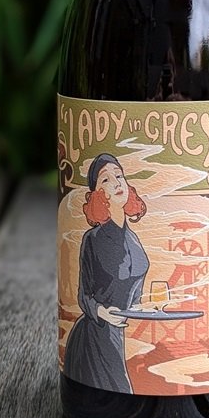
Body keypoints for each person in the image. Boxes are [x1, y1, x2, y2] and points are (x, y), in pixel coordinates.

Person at [63, 153, 150, 393]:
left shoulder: (133, 240)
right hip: (94, 334)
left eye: (119, 176)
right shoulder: (92, 239)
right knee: (120, 389)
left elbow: (134, 296)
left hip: (118, 332)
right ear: (98, 195)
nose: (116, 182)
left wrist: (147, 306)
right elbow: (84, 295)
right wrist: (103, 313)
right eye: (105, 179)